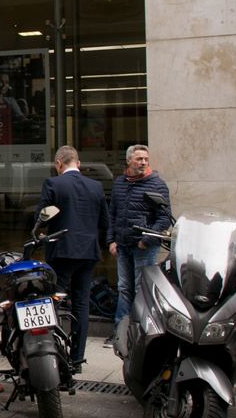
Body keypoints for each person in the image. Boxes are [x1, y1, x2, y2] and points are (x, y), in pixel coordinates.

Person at [36, 145, 109, 370]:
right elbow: (105, 222)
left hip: (62, 251)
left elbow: (42, 218)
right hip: (88, 252)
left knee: (52, 301)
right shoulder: (96, 186)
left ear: (59, 164)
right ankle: (77, 358)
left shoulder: (53, 184)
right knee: (81, 303)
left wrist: (41, 234)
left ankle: (50, 353)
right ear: (78, 163)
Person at [106, 143, 171, 338]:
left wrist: (147, 240)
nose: (143, 162)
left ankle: (141, 331)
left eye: (146, 159)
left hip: (144, 247)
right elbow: (112, 214)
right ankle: (121, 332)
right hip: (123, 245)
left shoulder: (157, 184)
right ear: (129, 161)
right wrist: (111, 240)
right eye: (139, 159)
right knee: (124, 288)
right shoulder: (120, 183)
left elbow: (164, 218)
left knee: (141, 288)